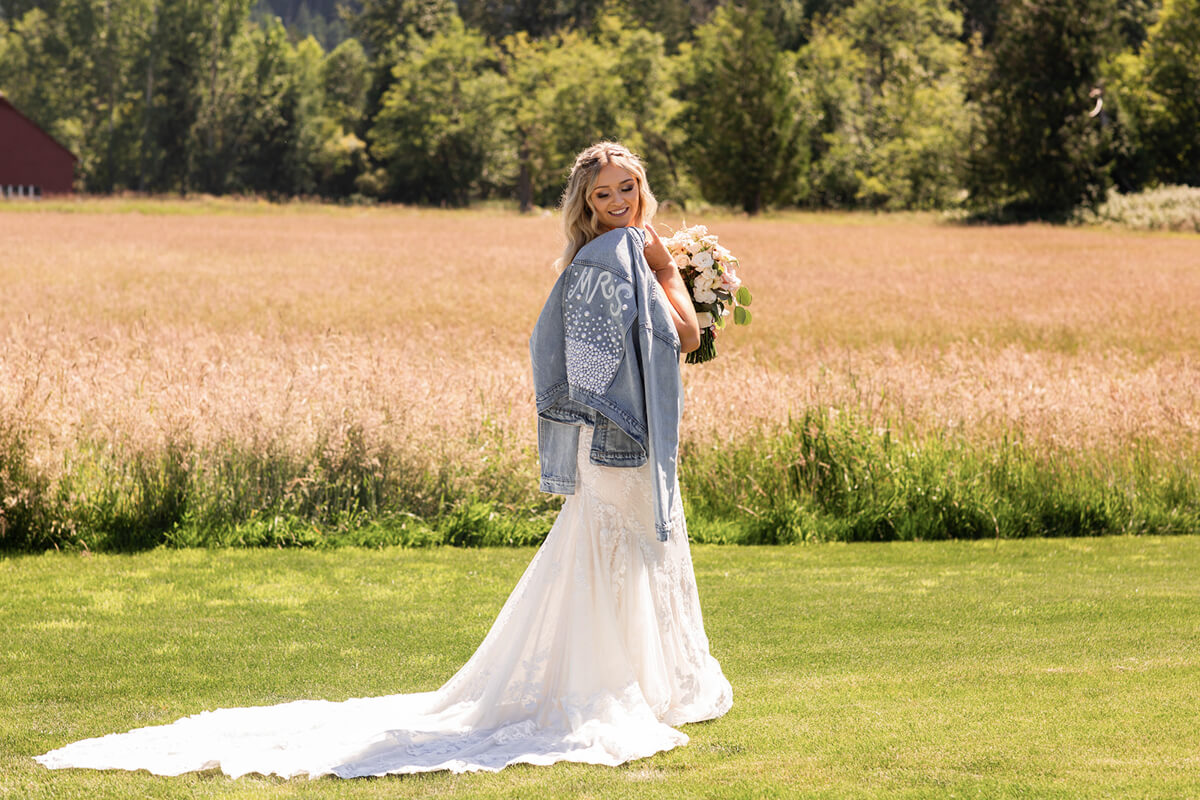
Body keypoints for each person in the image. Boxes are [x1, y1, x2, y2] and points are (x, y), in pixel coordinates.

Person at [34, 142, 732, 779]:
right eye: (604, 194)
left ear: (643, 189)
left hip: (615, 435)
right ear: (585, 203)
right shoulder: (615, 257)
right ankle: (604, 690)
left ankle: (634, 683)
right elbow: (681, 333)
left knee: (631, 548)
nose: (619, 203)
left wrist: (664, 267)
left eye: (628, 189)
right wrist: (671, 266)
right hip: (614, 439)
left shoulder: (622, 250)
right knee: (616, 548)